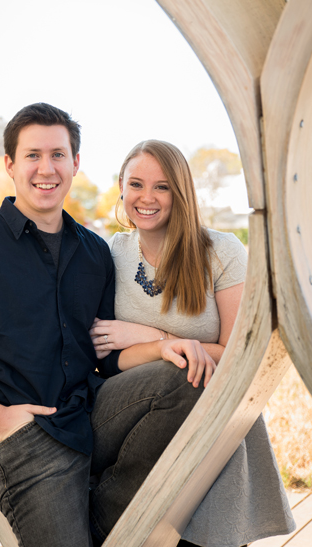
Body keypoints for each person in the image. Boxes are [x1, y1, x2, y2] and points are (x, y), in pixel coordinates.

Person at [0, 103, 211, 546]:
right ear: (10, 164)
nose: (47, 168)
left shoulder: (95, 253)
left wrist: (162, 344)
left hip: (93, 412)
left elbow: (106, 356)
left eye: (58, 155)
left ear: (75, 163)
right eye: (33, 155)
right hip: (28, 436)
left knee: (185, 377)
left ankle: (103, 518)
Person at [88, 140, 295, 546]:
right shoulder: (111, 252)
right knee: (180, 373)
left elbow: (239, 355)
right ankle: (109, 509)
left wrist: (154, 336)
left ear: (181, 192)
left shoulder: (222, 251)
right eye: (136, 184)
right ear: (121, 187)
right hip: (133, 412)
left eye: (162, 187)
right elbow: (106, 352)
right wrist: (160, 348)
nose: (147, 198)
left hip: (208, 408)